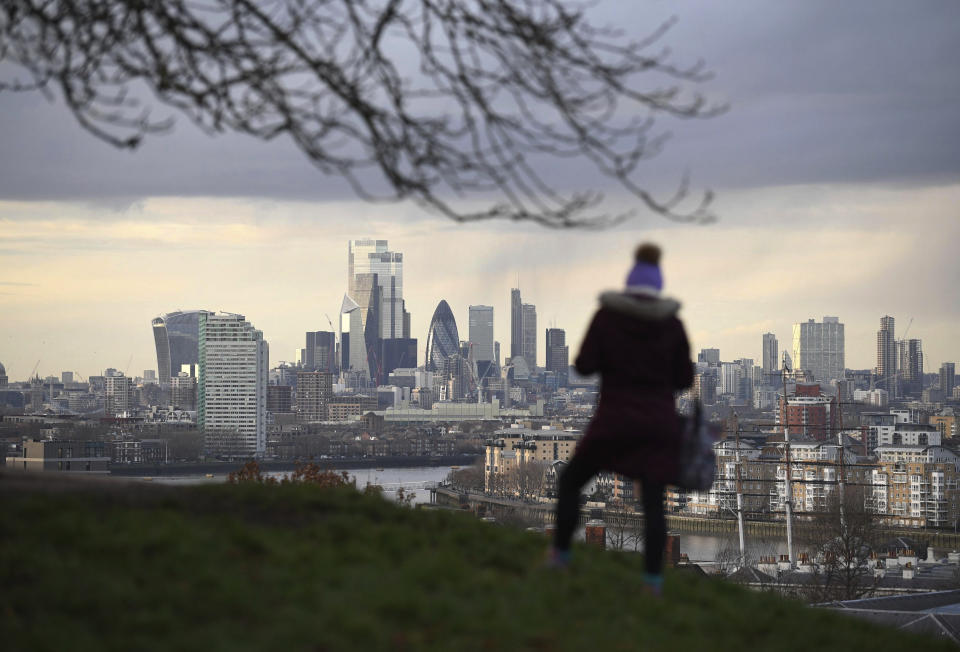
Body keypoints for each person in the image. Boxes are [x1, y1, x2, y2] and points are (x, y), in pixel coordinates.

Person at [549, 243, 693, 595]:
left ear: (629, 281)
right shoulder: (672, 325)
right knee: (653, 504)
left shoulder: (607, 317)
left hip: (613, 419)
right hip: (657, 424)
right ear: (658, 283)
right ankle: (653, 583)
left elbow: (583, 365)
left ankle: (561, 559)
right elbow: (685, 380)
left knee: (571, 482)